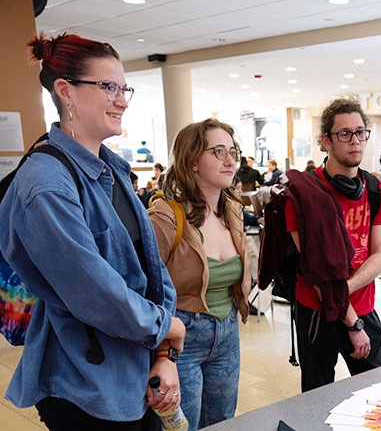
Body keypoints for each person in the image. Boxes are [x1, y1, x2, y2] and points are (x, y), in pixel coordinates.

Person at [0, 32, 185, 429]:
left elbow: (151, 268)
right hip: (87, 386)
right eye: (109, 87)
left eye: (124, 88)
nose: (122, 100)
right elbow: (95, 293)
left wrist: (164, 352)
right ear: (65, 91)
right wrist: (166, 327)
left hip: (140, 366)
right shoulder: (46, 183)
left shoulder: (111, 168)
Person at [268, 98, 381, 392]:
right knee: (316, 397)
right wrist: (352, 324)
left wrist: (344, 291)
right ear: (326, 140)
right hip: (316, 311)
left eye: (361, 132)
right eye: (345, 133)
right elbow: (316, 271)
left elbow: (380, 254)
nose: (355, 141)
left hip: (362, 306)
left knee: (375, 394)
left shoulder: (376, 190)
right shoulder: (300, 194)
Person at [148, 118, 251, 430]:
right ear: (192, 161)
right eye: (218, 152)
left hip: (227, 334)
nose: (230, 160)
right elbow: (146, 290)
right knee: (183, 427)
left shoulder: (232, 211)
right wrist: (163, 351)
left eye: (233, 151)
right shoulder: (164, 217)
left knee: (221, 423)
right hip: (181, 339)